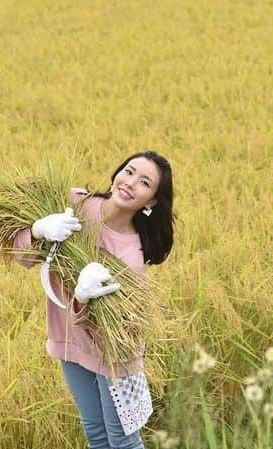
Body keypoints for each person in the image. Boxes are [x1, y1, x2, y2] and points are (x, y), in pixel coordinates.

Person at [12, 151, 175, 449]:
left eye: (144, 183)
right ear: (116, 173)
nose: (130, 183)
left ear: (150, 202)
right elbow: (20, 256)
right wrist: (38, 229)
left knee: (123, 442)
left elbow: (113, 326)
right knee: (96, 437)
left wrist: (82, 297)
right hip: (70, 342)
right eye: (129, 171)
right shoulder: (74, 204)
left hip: (117, 355)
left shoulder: (131, 257)